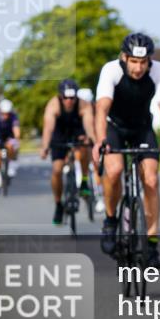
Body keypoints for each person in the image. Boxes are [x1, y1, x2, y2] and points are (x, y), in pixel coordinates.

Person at [92, 33, 160, 268]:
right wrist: (100, 141)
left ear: (149, 60)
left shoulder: (158, 70)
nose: (139, 68)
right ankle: (110, 220)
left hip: (142, 128)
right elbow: (101, 109)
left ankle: (151, 245)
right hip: (115, 128)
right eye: (134, 62)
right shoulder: (111, 71)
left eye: (143, 62)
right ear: (124, 57)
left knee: (150, 180)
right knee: (115, 170)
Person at [40, 79, 96, 225]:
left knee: (84, 147)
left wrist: (92, 140)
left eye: (72, 97)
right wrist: (45, 146)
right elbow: (48, 128)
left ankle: (83, 181)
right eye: (66, 97)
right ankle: (58, 204)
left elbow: (89, 125)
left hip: (77, 131)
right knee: (57, 170)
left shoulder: (84, 104)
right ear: (60, 96)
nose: (69, 101)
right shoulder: (53, 105)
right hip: (60, 134)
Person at [78, 87, 106, 213]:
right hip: (79, 142)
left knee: (96, 167)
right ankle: (78, 181)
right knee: (77, 156)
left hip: (93, 141)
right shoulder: (74, 110)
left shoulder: (97, 110)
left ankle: (100, 197)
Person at [0, 99, 20, 189]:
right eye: (4, 113)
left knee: (11, 146)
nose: (6, 115)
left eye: (8, 113)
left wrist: (17, 137)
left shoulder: (13, 116)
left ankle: (11, 165)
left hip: (9, 136)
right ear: (0, 111)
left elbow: (16, 129)